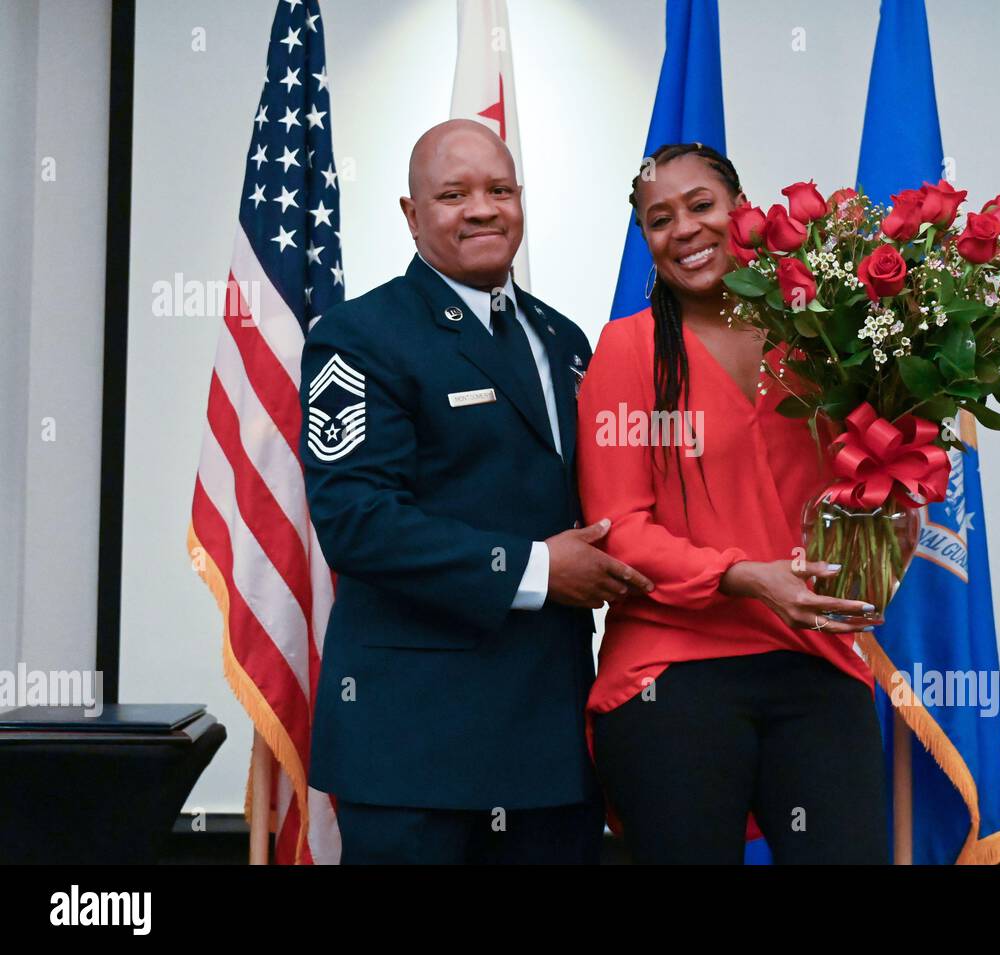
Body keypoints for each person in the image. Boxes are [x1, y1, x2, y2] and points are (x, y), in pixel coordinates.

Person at [300, 119, 652, 864]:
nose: (482, 208)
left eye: (499, 189)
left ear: (521, 200)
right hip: (414, 749)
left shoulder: (565, 340)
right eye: (454, 194)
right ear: (411, 214)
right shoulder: (359, 336)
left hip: (549, 746)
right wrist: (537, 570)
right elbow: (356, 520)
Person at [577, 143, 889, 864]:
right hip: (671, 668)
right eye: (659, 219)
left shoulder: (824, 337)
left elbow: (868, 480)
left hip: (812, 654)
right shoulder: (626, 352)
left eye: (700, 205)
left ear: (743, 210)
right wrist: (745, 575)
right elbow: (618, 531)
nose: (682, 228)